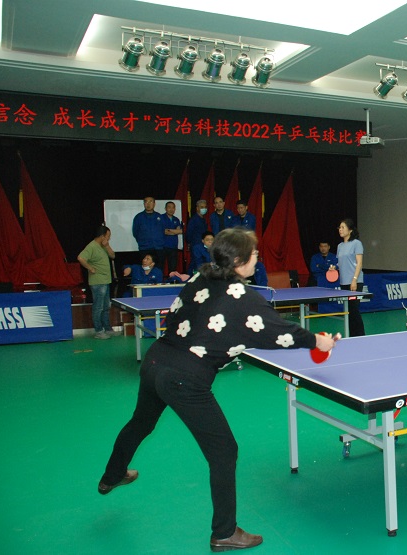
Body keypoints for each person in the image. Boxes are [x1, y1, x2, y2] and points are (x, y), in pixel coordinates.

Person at [97, 227, 338, 552]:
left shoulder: (202, 276)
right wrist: (319, 341)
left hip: (155, 362)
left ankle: (112, 475)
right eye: (254, 253)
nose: (257, 257)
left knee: (141, 423)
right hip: (185, 378)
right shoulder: (243, 298)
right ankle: (224, 532)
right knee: (224, 451)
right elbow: (281, 333)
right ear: (238, 261)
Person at [77, 224, 118, 339]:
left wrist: (107, 246)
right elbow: (80, 258)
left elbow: (113, 256)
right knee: (98, 307)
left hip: (106, 280)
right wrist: (90, 268)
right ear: (102, 236)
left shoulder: (103, 246)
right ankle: (99, 331)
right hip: (97, 282)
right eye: (108, 236)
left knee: (106, 306)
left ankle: (108, 329)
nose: (109, 238)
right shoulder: (92, 246)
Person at [336, 218, 365, 337]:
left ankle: (360, 336)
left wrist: (354, 280)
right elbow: (340, 263)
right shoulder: (340, 246)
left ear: (350, 230)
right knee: (348, 312)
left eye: (343, 227)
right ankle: (351, 336)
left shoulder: (356, 243)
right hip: (343, 282)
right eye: (339, 227)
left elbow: (359, 263)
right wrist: (333, 267)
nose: (340, 229)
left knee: (354, 311)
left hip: (355, 282)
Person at [132, 196, 165, 266]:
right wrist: (143, 241)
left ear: (154, 204)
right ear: (144, 204)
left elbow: (163, 231)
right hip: (145, 248)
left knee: (159, 269)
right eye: (146, 202)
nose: (148, 204)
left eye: (150, 201)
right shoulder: (139, 217)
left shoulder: (159, 216)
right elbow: (135, 232)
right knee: (145, 269)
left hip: (158, 248)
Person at [162, 201, 184, 274]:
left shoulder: (176, 219)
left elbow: (180, 231)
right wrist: (174, 231)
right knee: (161, 267)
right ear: (165, 208)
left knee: (173, 268)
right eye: (169, 207)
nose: (171, 209)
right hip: (162, 246)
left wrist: (170, 230)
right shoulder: (161, 218)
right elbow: (164, 231)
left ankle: (172, 280)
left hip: (173, 247)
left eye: (173, 208)